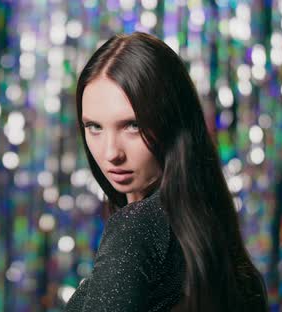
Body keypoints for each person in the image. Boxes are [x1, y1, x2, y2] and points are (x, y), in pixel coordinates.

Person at [64, 32, 268, 311]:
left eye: (132, 125)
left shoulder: (137, 228)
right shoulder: (207, 236)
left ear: (171, 122)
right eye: (94, 127)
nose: (111, 152)